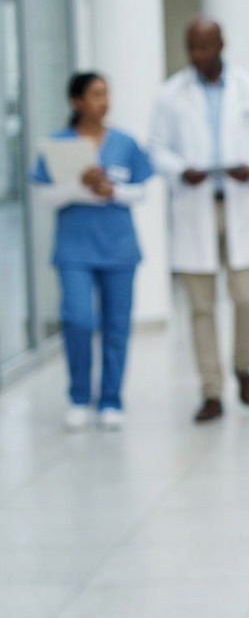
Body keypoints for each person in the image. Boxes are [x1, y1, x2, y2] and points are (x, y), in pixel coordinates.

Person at [149, 18, 249, 422]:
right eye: (191, 47)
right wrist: (179, 170)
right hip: (195, 205)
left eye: (205, 47)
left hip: (238, 202)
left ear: (221, 44)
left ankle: (242, 366)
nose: (197, 55)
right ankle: (211, 390)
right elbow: (156, 148)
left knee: (246, 296)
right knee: (200, 305)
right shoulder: (171, 95)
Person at [29, 73, 153, 431]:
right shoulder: (57, 145)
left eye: (106, 94)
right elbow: (45, 196)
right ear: (77, 101)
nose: (104, 101)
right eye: (96, 95)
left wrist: (111, 191)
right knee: (78, 320)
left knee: (117, 326)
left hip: (119, 248)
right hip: (75, 249)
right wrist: (77, 186)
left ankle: (111, 400)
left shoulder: (125, 143)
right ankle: (79, 396)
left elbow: (141, 191)